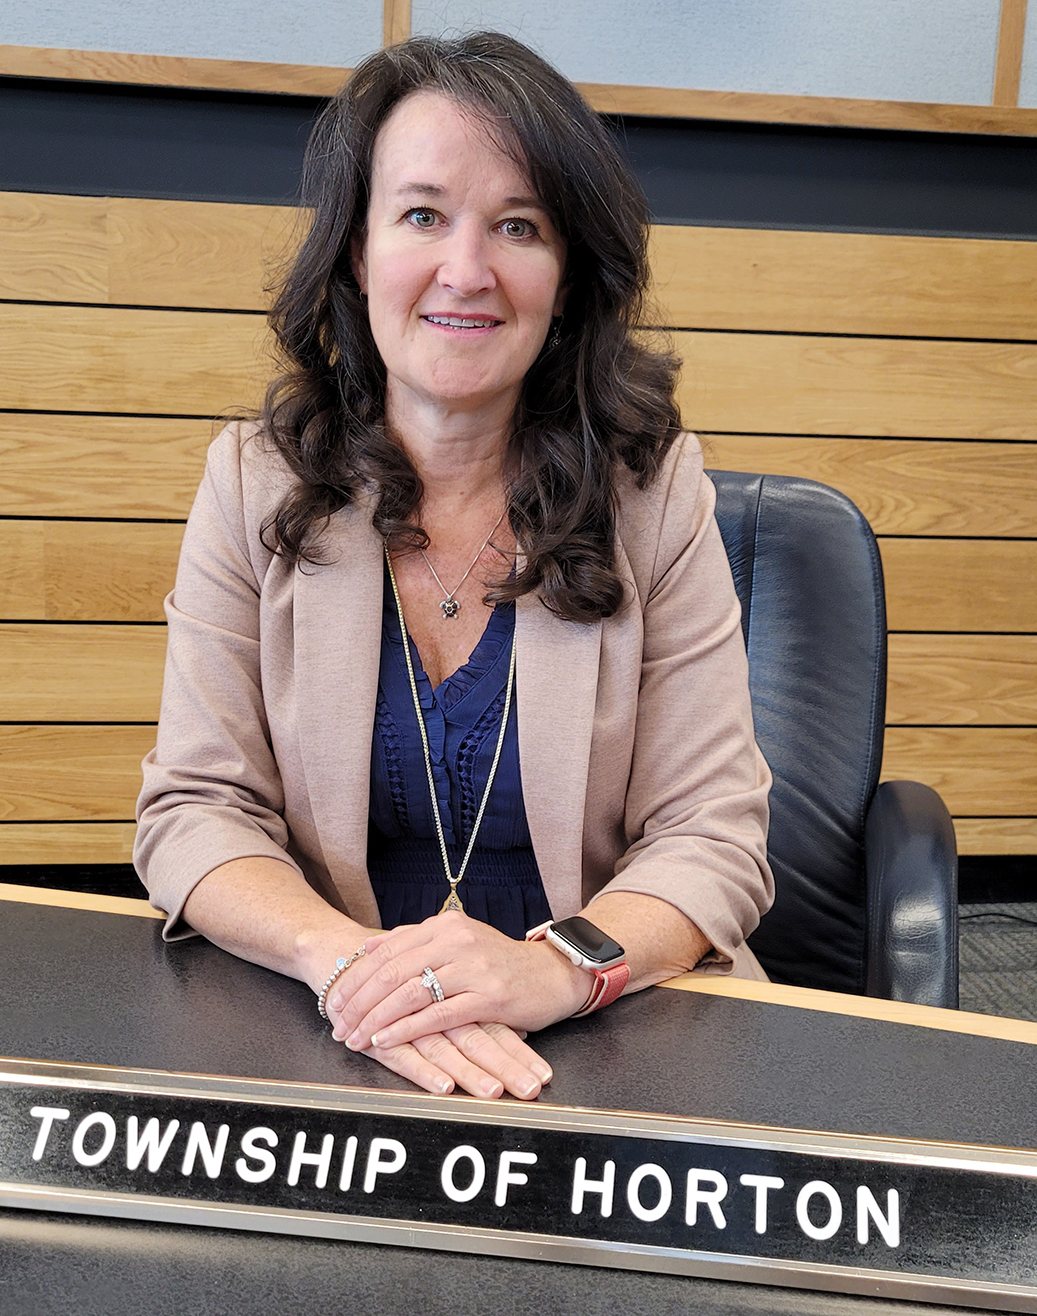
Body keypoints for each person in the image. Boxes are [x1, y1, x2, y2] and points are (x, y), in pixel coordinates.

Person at [135, 31, 773, 1103]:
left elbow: (715, 834)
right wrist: (350, 969)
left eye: (517, 225)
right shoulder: (254, 483)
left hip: (610, 1033)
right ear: (357, 250)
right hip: (332, 1030)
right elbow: (195, 808)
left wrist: (552, 965)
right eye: (423, 214)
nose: (466, 270)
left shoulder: (655, 495)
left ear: (565, 276)